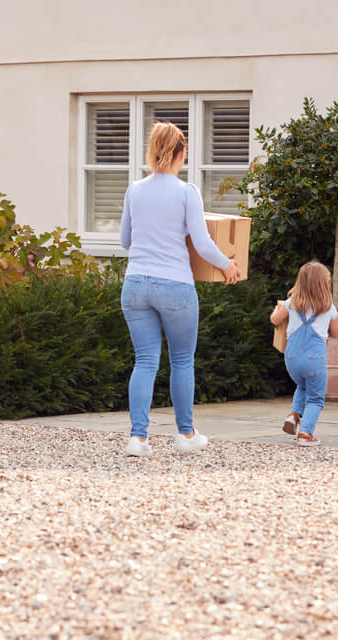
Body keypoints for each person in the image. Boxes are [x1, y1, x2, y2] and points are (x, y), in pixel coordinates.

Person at [119, 121, 241, 457]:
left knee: (144, 361)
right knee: (182, 361)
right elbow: (202, 243)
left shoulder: (134, 190)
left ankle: (138, 438)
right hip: (174, 286)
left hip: (135, 285)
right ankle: (186, 435)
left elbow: (125, 241)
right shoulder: (186, 192)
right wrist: (227, 264)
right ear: (181, 153)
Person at [269, 261, 338, 446]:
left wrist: (275, 310)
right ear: (324, 284)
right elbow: (337, 333)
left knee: (303, 385)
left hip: (291, 359)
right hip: (315, 360)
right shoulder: (328, 307)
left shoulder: (290, 303)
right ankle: (306, 433)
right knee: (316, 398)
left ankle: (294, 415)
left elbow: (275, 320)